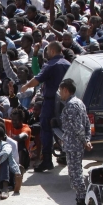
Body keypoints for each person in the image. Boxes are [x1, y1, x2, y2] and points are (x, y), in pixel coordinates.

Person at [20, 41, 70, 172]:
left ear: (52, 51)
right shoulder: (69, 64)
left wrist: (26, 86)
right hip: (65, 102)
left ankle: (47, 160)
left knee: (46, 129)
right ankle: (64, 155)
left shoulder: (51, 65)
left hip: (51, 102)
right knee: (63, 129)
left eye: (47, 51)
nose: (47, 54)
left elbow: (37, 79)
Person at [55, 78, 93, 205]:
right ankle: (79, 203)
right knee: (73, 174)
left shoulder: (71, 105)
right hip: (73, 145)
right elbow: (87, 123)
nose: (60, 94)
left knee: (76, 176)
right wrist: (87, 139)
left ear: (66, 90)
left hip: (74, 146)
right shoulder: (79, 102)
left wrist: (85, 141)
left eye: (61, 91)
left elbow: (78, 127)